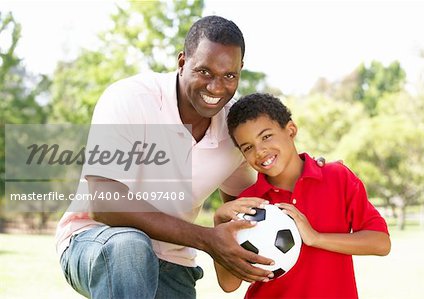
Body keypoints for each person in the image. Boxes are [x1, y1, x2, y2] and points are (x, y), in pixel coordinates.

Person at [56, 16, 325, 299]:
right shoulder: (131, 98)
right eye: (204, 72)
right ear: (182, 62)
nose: (216, 87)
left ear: (240, 71)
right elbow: (103, 202)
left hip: (174, 262)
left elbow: (256, 197)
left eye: (229, 76)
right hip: (95, 239)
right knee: (130, 247)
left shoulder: (236, 130)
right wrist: (207, 239)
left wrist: (318, 171)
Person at [214, 93, 391, 298]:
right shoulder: (249, 204)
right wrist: (220, 224)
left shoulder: (337, 178)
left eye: (266, 136)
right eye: (248, 147)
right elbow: (229, 285)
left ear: (290, 130)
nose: (260, 151)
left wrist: (316, 238)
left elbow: (381, 243)